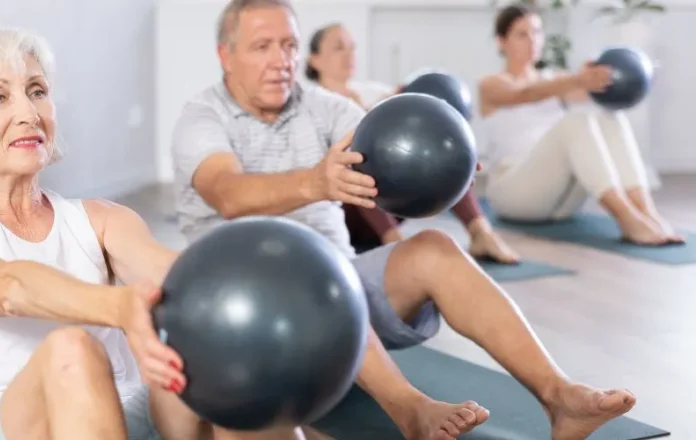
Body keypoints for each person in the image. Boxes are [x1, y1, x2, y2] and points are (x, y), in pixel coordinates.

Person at [171, 0, 638, 439]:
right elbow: (227, 194)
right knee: (315, 279)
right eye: (261, 46)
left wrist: (440, 158)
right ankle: (410, 410)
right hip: (242, 314)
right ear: (225, 56)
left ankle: (560, 398)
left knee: (433, 249)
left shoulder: (322, 106)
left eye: (289, 45)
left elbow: (382, 142)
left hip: (342, 291)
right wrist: (316, 182)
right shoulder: (202, 117)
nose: (281, 60)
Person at [0, 27, 321, 440]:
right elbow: (6, 287)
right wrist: (119, 307)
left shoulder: (101, 220)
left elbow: (171, 274)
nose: (28, 113)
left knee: (218, 359)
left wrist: (254, 297)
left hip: (117, 416)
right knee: (71, 351)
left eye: (38, 91)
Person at [304, 22, 520, 264]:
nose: (349, 54)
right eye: (338, 48)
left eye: (352, 48)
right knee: (364, 157)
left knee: (443, 152)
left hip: (393, 203)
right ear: (314, 60)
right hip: (343, 210)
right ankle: (395, 243)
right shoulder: (310, 104)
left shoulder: (375, 92)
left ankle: (481, 232)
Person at [478, 3, 685, 246]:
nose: (533, 40)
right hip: (514, 196)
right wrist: (576, 79)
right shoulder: (490, 85)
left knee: (609, 117)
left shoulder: (555, 82)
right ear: (502, 41)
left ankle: (647, 212)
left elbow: (596, 91)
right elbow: (525, 94)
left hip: (560, 202)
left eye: (537, 32)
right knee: (576, 121)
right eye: (522, 34)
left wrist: (633, 78)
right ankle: (627, 218)